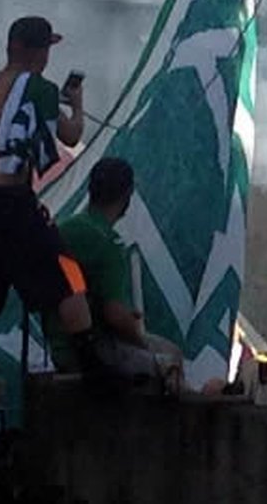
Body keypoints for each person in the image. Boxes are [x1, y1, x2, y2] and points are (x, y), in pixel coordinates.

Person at [0, 16, 97, 378]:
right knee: (68, 276)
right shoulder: (39, 91)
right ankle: (91, 366)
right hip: (11, 198)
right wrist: (76, 105)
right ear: (37, 52)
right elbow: (71, 136)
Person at [45, 158, 182, 384]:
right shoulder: (108, 244)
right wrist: (138, 338)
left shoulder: (65, 229)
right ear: (127, 196)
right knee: (171, 361)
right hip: (94, 350)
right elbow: (115, 316)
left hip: (59, 346)